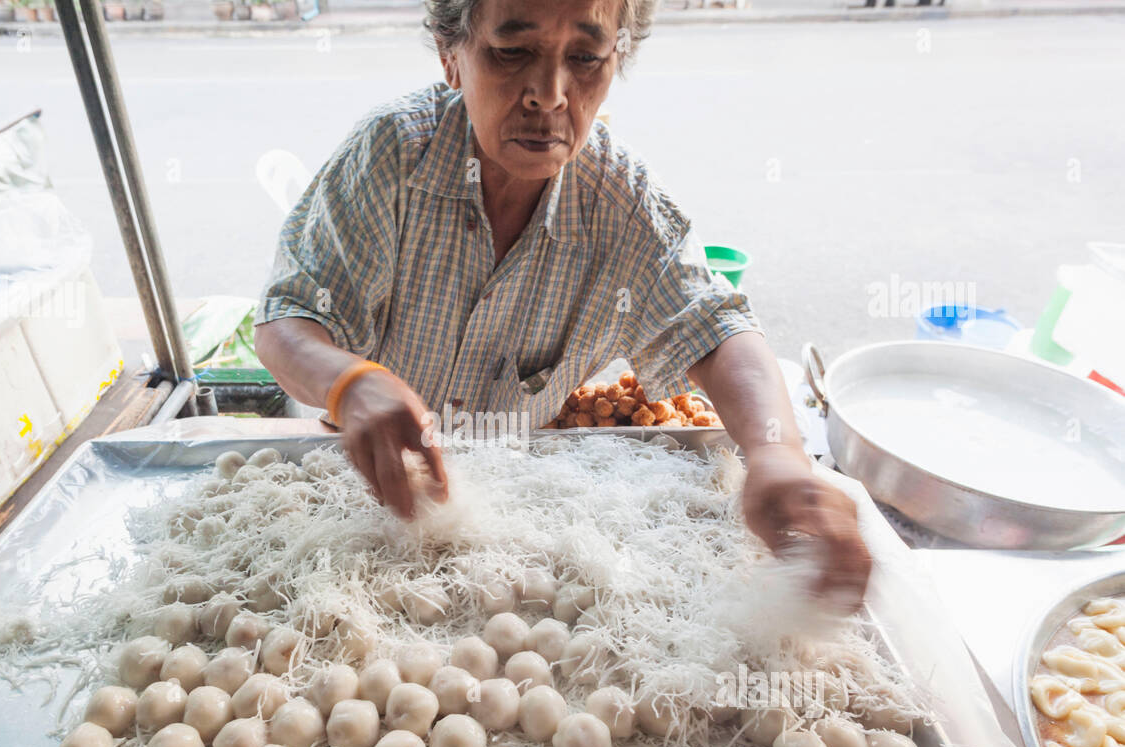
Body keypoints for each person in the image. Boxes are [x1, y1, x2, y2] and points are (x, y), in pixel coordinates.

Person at [254, 0, 870, 609]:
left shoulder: (619, 202)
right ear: (451, 54)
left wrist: (777, 454)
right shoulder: (393, 156)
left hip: (508, 526)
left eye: (585, 57)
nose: (549, 94)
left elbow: (715, 328)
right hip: (358, 502)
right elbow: (287, 321)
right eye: (512, 51)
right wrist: (352, 384)